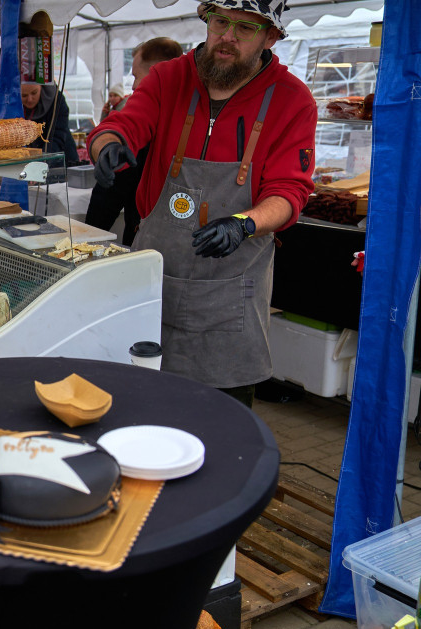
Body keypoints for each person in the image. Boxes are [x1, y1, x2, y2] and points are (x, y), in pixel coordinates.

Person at [88, 0, 316, 408]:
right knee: (140, 407)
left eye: (245, 27)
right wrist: (108, 145)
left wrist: (245, 224)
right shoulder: (168, 77)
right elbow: (124, 123)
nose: (227, 36)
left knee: (220, 425)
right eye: (220, 21)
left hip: (232, 294)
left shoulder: (292, 100)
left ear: (271, 36)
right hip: (153, 279)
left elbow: (289, 192)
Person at [85, 37, 184, 246]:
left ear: (157, 73)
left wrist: (88, 235)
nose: (134, 84)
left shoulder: (149, 116)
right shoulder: (187, 110)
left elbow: (110, 195)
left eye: (136, 75)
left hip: (147, 237)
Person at [21, 81, 80, 166]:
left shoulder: (57, 101)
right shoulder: (13, 105)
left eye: (34, 93)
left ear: (41, 87)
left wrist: (41, 164)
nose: (30, 99)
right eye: (24, 95)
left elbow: (57, 137)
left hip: (62, 161)